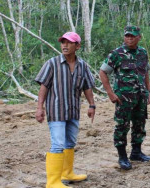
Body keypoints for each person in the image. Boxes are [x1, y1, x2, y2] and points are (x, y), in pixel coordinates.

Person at [35, 32, 96, 187]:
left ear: (77, 46)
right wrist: (39, 108)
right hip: (56, 111)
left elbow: (87, 87)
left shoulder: (82, 65)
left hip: (73, 111)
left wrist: (91, 105)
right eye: (63, 42)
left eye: (69, 43)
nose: (65, 45)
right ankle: (53, 182)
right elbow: (44, 87)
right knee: (57, 144)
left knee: (70, 143)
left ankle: (67, 173)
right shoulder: (52, 64)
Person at [99, 26, 150, 170]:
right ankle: (122, 156)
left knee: (139, 124)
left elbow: (145, 72)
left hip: (140, 96)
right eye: (127, 36)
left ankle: (136, 152)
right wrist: (110, 93)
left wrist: (148, 91)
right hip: (123, 98)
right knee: (122, 126)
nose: (129, 38)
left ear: (139, 37)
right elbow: (103, 72)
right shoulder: (116, 54)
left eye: (132, 36)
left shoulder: (142, 53)